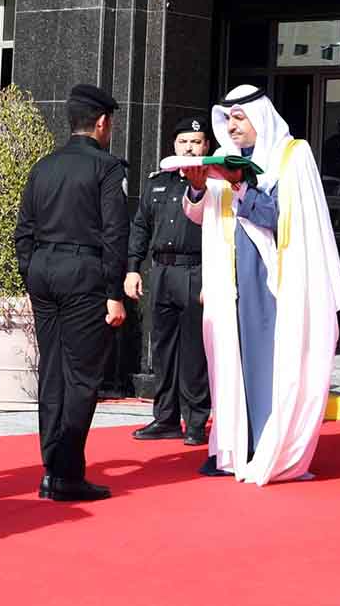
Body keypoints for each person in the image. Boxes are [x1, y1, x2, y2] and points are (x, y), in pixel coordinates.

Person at [182, 84, 340, 485]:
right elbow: (202, 216)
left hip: (273, 279)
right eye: (228, 119)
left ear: (260, 117)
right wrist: (199, 185)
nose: (233, 127)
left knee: (267, 365)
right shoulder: (229, 159)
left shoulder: (293, 157)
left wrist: (240, 186)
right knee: (230, 363)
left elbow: (282, 219)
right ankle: (233, 446)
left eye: (240, 118)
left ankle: (269, 444)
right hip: (231, 279)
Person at [14, 84, 128, 502]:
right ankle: (65, 472)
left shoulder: (44, 166)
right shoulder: (107, 168)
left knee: (53, 371)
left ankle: (52, 467)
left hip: (44, 270)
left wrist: (32, 271)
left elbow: (23, 231)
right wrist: (114, 292)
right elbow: (116, 232)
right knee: (81, 375)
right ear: (101, 123)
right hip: (84, 273)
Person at [126, 117, 211, 446]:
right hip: (161, 271)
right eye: (183, 142)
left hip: (196, 272)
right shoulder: (157, 183)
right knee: (162, 349)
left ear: (207, 146)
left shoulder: (213, 185)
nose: (189, 147)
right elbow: (140, 227)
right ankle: (164, 418)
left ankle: (195, 421)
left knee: (193, 352)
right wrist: (133, 268)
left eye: (196, 141)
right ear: (173, 146)